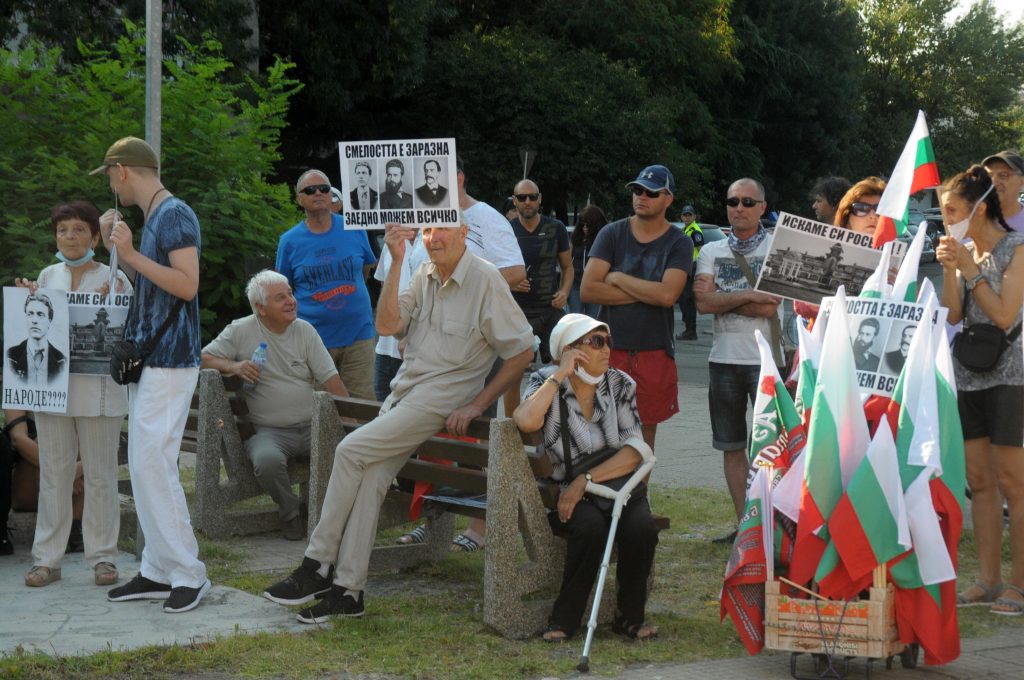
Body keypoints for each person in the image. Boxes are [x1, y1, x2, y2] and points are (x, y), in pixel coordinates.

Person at [262, 221, 533, 624]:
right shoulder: (423, 272)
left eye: (443, 229)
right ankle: (348, 593)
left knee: (349, 450)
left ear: (462, 231)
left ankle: (316, 564)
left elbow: (522, 350)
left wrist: (478, 403)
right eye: (426, 231)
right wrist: (398, 260)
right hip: (404, 393)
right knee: (370, 478)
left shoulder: (485, 279)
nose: (434, 238)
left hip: (437, 400)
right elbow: (388, 326)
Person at [92, 135, 210, 613]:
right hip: (153, 358)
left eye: (109, 176)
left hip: (170, 359)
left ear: (123, 170)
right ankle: (158, 570)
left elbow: (187, 284)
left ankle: (187, 573)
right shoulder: (156, 217)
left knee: (152, 465)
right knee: (144, 466)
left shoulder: (175, 214)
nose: (111, 188)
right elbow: (157, 287)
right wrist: (123, 254)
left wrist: (133, 253)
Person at [512, 313, 658, 641]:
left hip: (613, 482)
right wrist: (561, 373)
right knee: (590, 528)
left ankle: (629, 617)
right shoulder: (545, 381)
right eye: (596, 342)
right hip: (564, 489)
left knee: (641, 528)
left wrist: (586, 480)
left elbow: (635, 449)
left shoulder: (619, 383)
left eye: (608, 341)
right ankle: (564, 619)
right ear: (569, 349)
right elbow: (525, 421)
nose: (607, 349)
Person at [11, 201, 132, 588]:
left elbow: (128, 329)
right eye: (63, 230)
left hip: (100, 392)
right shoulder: (46, 277)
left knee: (101, 476)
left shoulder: (115, 277)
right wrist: (26, 297)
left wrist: (116, 298)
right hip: (53, 393)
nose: (70, 237)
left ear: (95, 236)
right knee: (54, 474)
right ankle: (47, 559)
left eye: (79, 229)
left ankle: (102, 558)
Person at [201, 270, 349, 540]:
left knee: (350, 452)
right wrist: (233, 365)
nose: (291, 301)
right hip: (270, 432)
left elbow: (332, 382)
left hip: (313, 426)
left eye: (291, 294)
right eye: (281, 297)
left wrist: (348, 425)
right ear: (261, 308)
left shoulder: (305, 330)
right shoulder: (240, 330)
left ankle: (338, 518)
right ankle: (291, 512)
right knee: (266, 460)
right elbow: (203, 358)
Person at [936, 165, 1024, 615]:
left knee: (1013, 481)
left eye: (952, 210)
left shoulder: (1016, 248)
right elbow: (953, 316)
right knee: (979, 480)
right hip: (969, 373)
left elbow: (1007, 315)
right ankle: (988, 580)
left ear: (980, 207)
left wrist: (970, 269)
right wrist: (953, 270)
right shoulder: (966, 250)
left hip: (1012, 375)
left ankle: (1018, 584)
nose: (946, 220)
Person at [694, 178, 783, 538]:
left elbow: (772, 303)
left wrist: (725, 298)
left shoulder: (778, 247)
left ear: (762, 207)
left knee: (775, 447)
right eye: (733, 201)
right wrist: (750, 296)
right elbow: (702, 303)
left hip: (769, 360)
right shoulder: (711, 252)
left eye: (748, 202)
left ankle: (777, 525)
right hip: (724, 360)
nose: (739, 208)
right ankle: (745, 525)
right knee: (731, 446)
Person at [580, 164, 691, 452]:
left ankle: (637, 496)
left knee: (643, 439)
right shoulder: (612, 233)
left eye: (651, 192)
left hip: (654, 351)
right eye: (637, 190)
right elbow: (589, 289)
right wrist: (648, 292)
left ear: (668, 199)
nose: (642, 196)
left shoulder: (679, 242)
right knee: (600, 433)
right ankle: (603, 495)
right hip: (606, 349)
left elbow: (668, 296)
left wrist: (617, 278)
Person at [276, 169, 377, 400]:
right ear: (299, 198)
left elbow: (365, 270)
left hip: (359, 336)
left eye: (324, 188)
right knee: (321, 413)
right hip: (314, 342)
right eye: (310, 190)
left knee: (364, 407)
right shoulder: (289, 242)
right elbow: (283, 289)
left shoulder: (355, 228)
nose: (318, 193)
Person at [504, 179, 572, 414]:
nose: (528, 202)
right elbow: (491, 271)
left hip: (550, 307)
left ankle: (557, 422)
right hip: (518, 312)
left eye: (532, 196)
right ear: (514, 201)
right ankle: (511, 430)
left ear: (540, 198)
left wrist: (564, 291)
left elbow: (568, 267)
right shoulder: (506, 230)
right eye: (522, 198)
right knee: (512, 375)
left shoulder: (557, 228)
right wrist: (510, 283)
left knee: (562, 368)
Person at [7, 294, 66, 385]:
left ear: (49, 320)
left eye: (40, 315)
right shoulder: (10, 356)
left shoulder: (61, 360)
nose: (34, 320)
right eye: (30, 314)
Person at [567, 205, 608, 317]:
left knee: (593, 321)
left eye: (588, 225)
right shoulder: (576, 238)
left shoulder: (604, 240)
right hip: (576, 285)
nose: (585, 228)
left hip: (595, 287)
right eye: (582, 225)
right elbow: (567, 263)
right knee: (576, 319)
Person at [675, 205, 704, 341]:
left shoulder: (695, 231)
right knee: (683, 299)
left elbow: (701, 250)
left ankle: (691, 330)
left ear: (694, 216)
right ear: (681, 217)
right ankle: (688, 328)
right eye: (685, 215)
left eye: (689, 215)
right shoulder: (686, 229)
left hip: (692, 267)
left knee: (687, 299)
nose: (687, 217)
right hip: (686, 267)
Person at [982, 151, 1024, 233]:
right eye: (988, 176)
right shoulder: (969, 221)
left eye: (1003, 175)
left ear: (1022, 181)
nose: (993, 182)